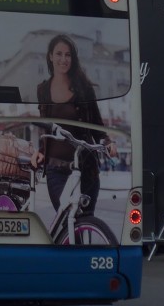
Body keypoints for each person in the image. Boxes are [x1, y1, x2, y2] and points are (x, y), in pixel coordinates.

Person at [33, 34, 115, 212]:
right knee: (69, 219)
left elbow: (97, 125)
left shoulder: (84, 88)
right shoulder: (43, 90)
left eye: (68, 55)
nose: (63, 59)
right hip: (56, 169)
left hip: (86, 167)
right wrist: (40, 151)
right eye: (59, 54)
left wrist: (108, 142)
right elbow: (47, 127)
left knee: (85, 222)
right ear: (50, 56)